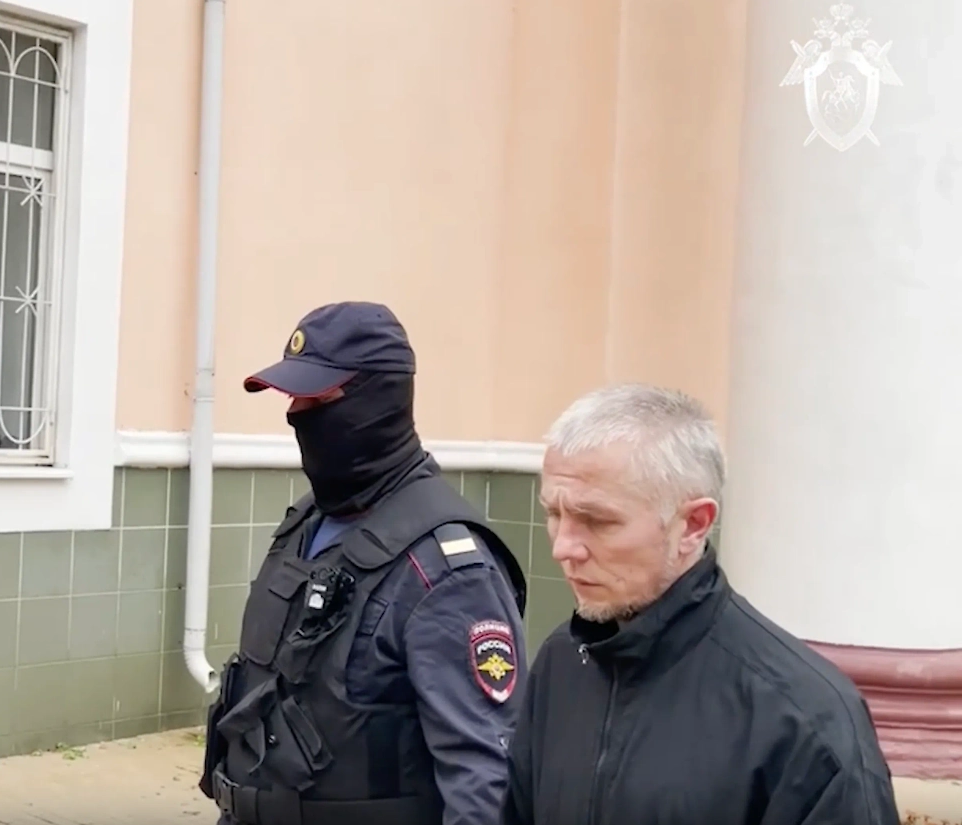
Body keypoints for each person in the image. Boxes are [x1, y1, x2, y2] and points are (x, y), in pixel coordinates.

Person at [502, 383, 901, 825]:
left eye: (596, 521)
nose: (563, 547)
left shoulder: (805, 721)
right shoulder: (562, 664)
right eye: (554, 514)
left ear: (693, 525)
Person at [198, 300, 529, 825]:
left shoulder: (447, 569)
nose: (297, 415)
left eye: (317, 399)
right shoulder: (308, 523)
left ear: (380, 400)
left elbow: (485, 777)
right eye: (293, 398)